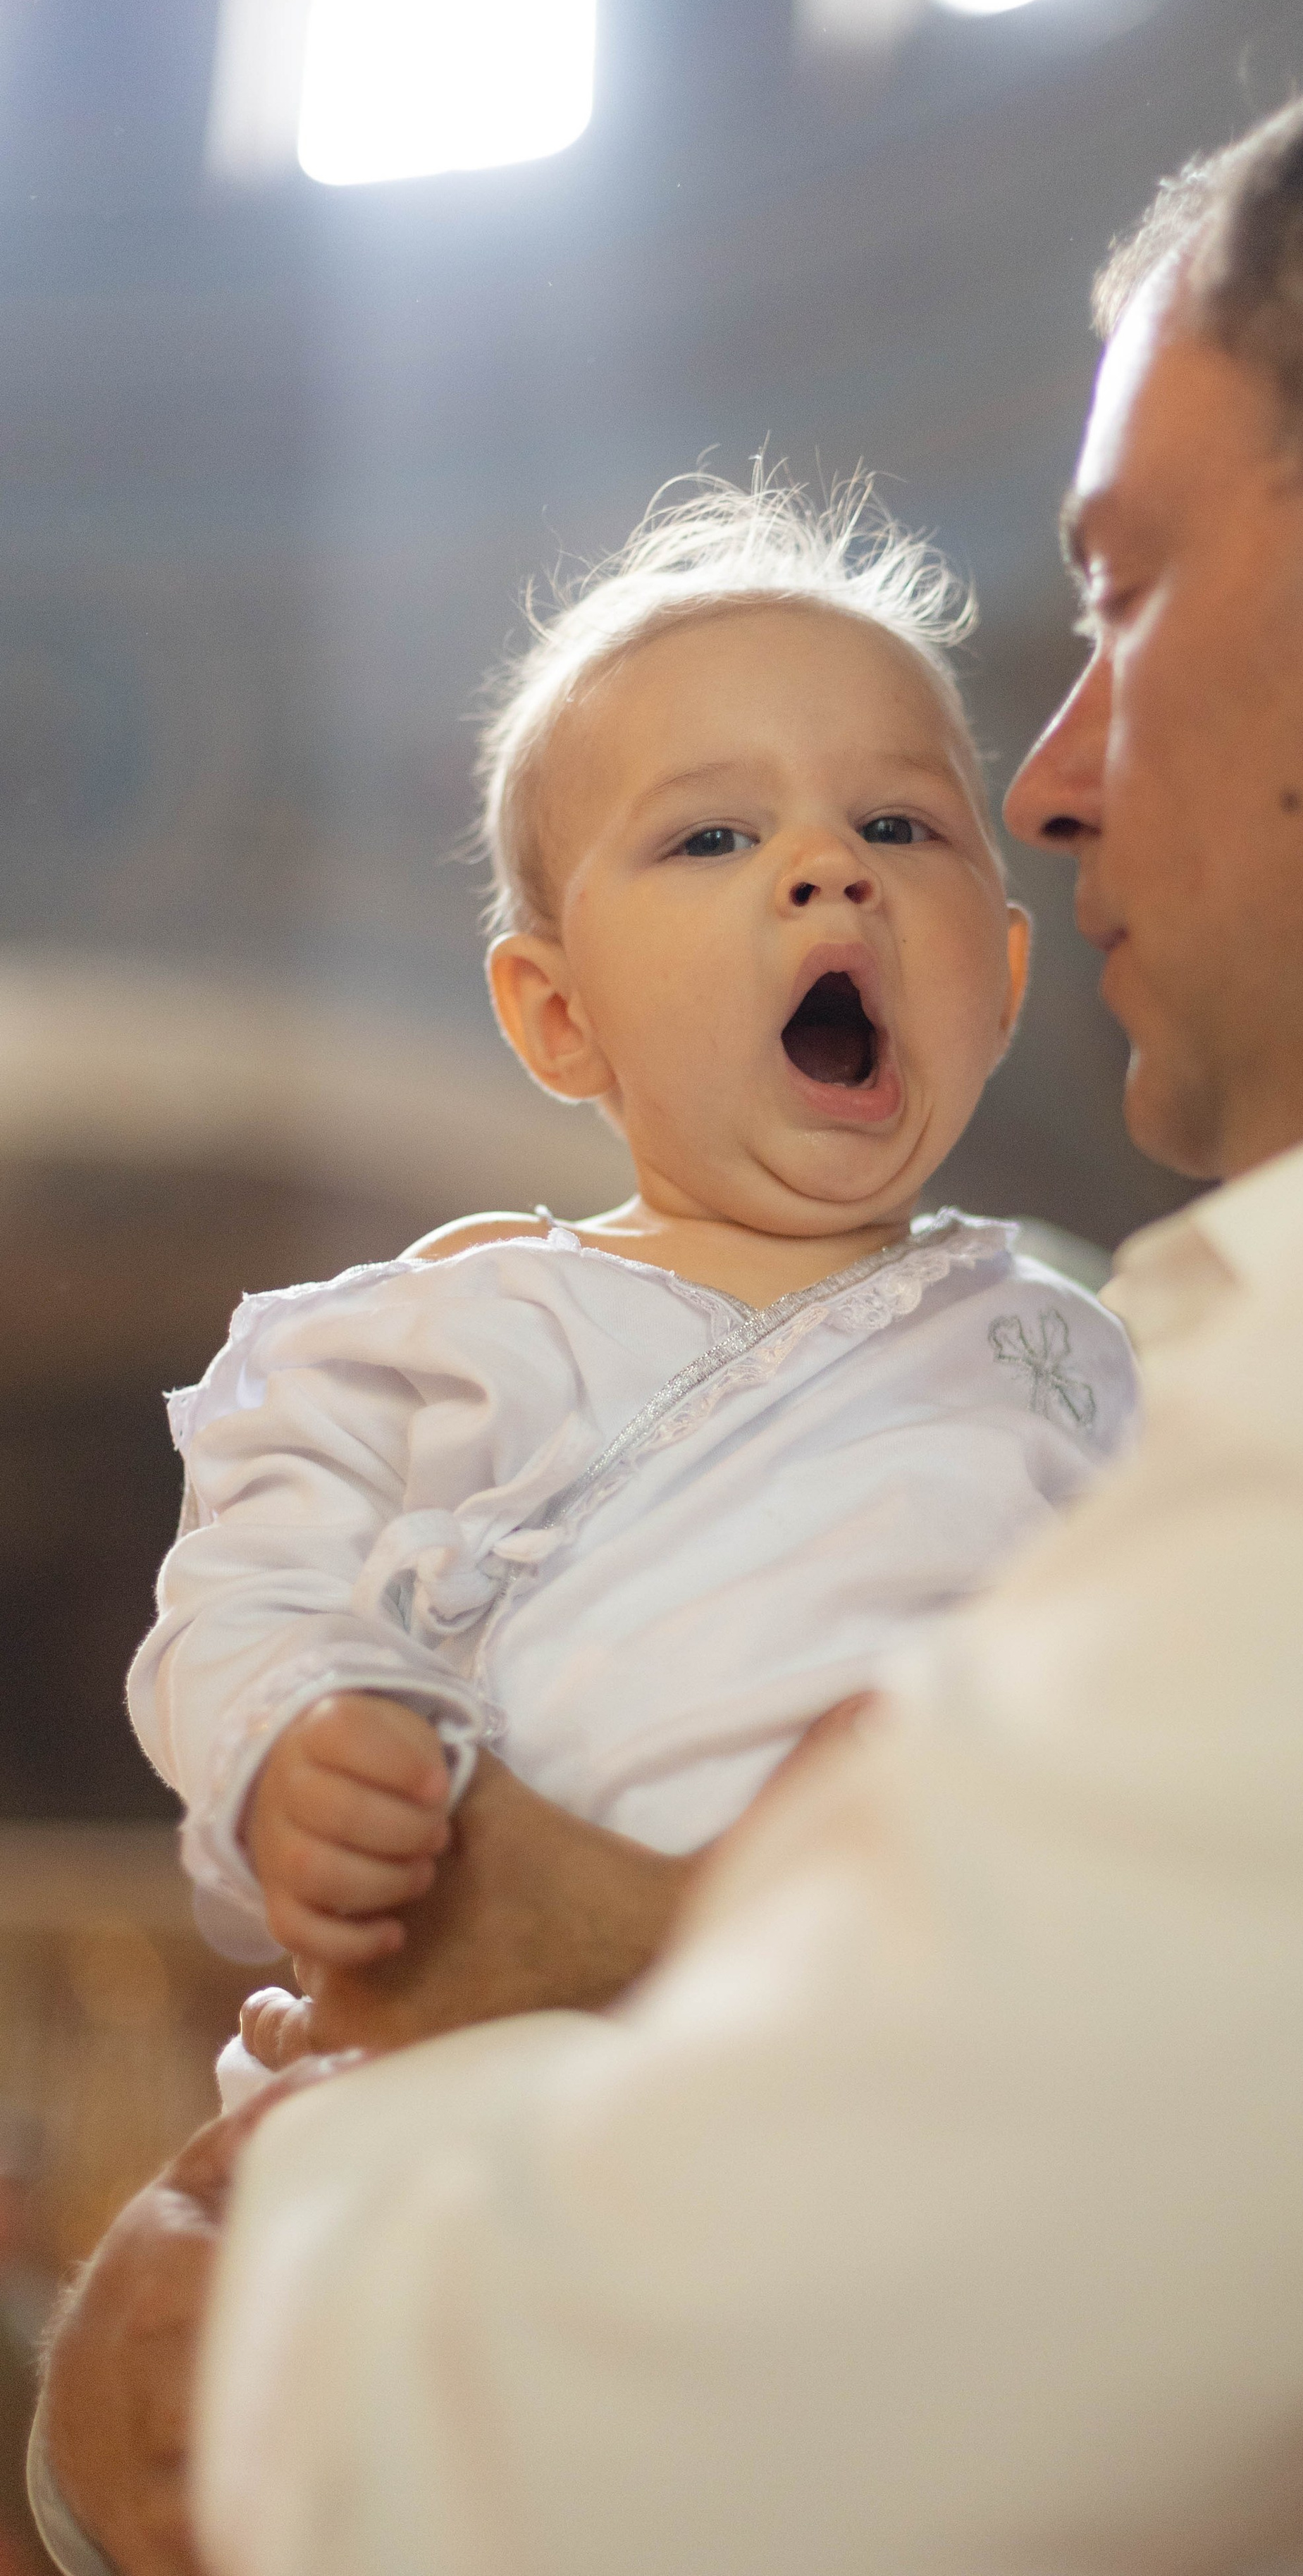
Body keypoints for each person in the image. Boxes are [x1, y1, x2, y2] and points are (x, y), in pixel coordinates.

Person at [37, 4, 1303, 2575]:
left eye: (1127, 592)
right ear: (546, 1010)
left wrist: (199, 2367)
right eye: (712, 837)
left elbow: (634, 2427)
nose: (1061, 772)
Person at [122, 474, 1135, 2080]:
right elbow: (245, 1594)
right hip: (498, 2067)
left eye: (896, 824)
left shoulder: (1085, 1351)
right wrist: (300, 1739)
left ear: (1002, 979)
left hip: (940, 2048)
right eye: (713, 835)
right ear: (554, 1017)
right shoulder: (441, 1330)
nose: (827, 868)